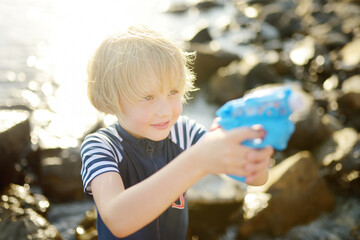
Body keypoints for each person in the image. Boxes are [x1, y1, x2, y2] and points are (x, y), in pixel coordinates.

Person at [80, 25, 273, 240]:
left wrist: (254, 153)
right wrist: (197, 161)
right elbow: (118, 220)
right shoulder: (101, 146)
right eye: (148, 97)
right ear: (112, 98)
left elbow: (256, 179)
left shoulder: (184, 132)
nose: (166, 111)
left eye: (173, 92)